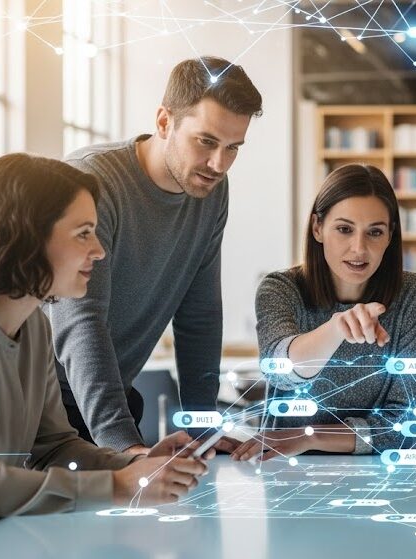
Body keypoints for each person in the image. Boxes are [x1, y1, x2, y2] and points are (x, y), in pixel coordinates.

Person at [0, 154, 210, 548]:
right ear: (27, 235)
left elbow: (52, 447)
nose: (100, 251)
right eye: (84, 233)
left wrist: (137, 463)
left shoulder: (33, 323)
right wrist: (118, 486)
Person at [47, 56, 262, 454]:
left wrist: (203, 430)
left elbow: (199, 315)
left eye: (233, 148)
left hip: (111, 399)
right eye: (206, 141)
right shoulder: (94, 181)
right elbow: (81, 322)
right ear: (164, 122)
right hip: (42, 406)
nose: (219, 164)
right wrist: (127, 451)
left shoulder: (211, 192)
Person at [231, 164, 416, 461]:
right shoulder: (280, 288)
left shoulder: (413, 294)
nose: (359, 248)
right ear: (318, 228)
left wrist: (307, 436)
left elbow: (403, 427)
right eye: (344, 229)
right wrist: (337, 328)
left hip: (381, 477)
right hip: (288, 473)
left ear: (390, 236)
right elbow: (280, 372)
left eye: (375, 232)